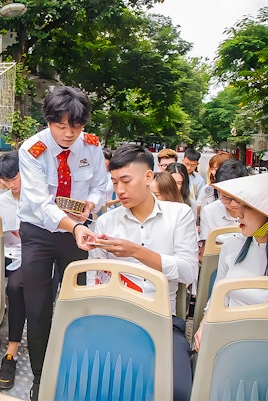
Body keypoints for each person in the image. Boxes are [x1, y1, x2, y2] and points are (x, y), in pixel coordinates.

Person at [84, 144, 198, 401]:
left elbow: (188, 271)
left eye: (125, 180)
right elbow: (93, 282)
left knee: (177, 390)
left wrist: (137, 251)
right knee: (91, 382)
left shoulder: (179, 215)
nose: (119, 190)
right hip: (112, 318)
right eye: (114, 182)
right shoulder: (106, 222)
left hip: (160, 319)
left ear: (149, 177)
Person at [18, 86, 108, 400]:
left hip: (77, 232)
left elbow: (101, 185)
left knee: (77, 301)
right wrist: (74, 225)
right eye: (61, 126)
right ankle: (41, 377)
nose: (69, 133)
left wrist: (91, 205)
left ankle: (75, 368)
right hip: (39, 235)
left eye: (77, 126)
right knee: (38, 307)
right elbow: (40, 204)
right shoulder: (32, 149)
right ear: (48, 120)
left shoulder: (92, 146)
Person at [194, 173, 268, 352]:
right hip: (228, 338)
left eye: (248, 207)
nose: (238, 214)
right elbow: (218, 297)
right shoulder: (231, 247)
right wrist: (204, 326)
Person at [0, 151, 24, 390]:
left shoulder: (41, 196)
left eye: (14, 178)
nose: (11, 184)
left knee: (14, 287)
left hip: (32, 255)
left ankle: (12, 349)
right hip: (6, 253)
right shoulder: (0, 202)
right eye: (5, 180)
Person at [200, 159, 249, 244]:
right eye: (225, 197)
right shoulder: (209, 212)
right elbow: (206, 249)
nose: (233, 204)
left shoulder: (258, 211)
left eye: (238, 198)